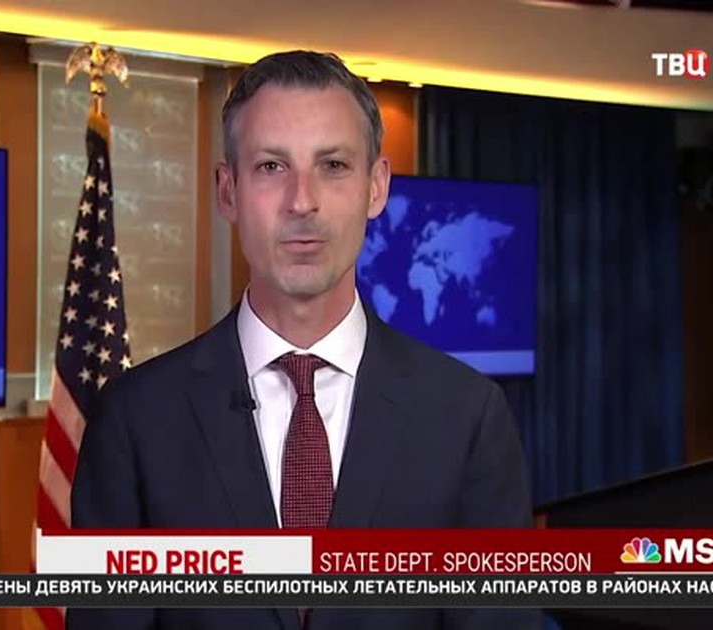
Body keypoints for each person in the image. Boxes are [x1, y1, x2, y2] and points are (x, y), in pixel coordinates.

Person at [69, 50, 538, 630]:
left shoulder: (468, 418)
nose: (302, 201)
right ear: (228, 190)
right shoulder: (134, 419)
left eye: (333, 165)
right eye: (271, 166)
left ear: (376, 187)